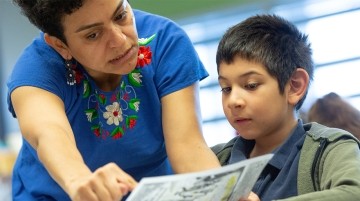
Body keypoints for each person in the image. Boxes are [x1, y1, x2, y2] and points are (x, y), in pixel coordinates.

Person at [7, 0, 221, 200]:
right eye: (93, 35)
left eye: (120, 15)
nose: (120, 40)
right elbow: (49, 134)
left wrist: (225, 193)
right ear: (60, 46)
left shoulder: (166, 42)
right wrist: (80, 180)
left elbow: (189, 149)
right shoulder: (34, 72)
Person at [211, 14, 360, 201]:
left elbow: (353, 194)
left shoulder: (330, 147)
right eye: (226, 88)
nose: (233, 101)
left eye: (250, 85)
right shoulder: (215, 159)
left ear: (294, 86)